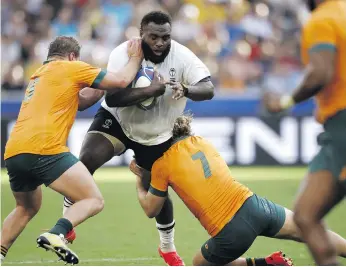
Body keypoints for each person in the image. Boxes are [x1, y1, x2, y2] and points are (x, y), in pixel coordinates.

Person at [62, 11, 214, 266]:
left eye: (165, 37)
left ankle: (167, 247)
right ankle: (66, 220)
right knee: (86, 160)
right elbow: (112, 98)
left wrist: (186, 89)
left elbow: (208, 88)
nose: (159, 43)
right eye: (153, 37)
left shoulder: (182, 56)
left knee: (158, 195)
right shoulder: (124, 53)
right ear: (141, 34)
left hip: (157, 134)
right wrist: (151, 89)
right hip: (118, 122)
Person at [0, 36, 166, 264]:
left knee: (26, 207)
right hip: (45, 148)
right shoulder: (71, 67)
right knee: (93, 199)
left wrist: (100, 88)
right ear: (72, 56)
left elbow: (80, 101)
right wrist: (135, 57)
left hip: (14, 152)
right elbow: (121, 80)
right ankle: (57, 233)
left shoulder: (40, 75)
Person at [132, 115, 346, 266]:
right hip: (255, 205)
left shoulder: (162, 165)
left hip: (231, 230)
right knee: (308, 231)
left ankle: (262, 264)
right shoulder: (201, 142)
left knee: (200, 263)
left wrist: (140, 177)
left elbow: (151, 209)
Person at [263, 0, 346, 265]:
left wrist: (285, 102)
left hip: (342, 123)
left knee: (306, 215)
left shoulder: (322, 20)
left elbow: (320, 73)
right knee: (306, 214)